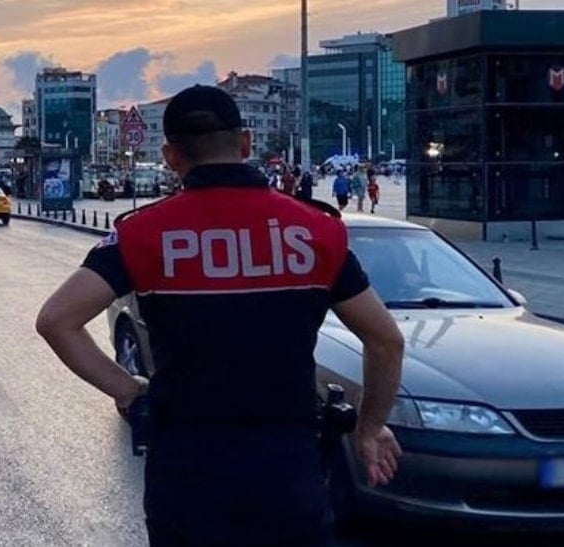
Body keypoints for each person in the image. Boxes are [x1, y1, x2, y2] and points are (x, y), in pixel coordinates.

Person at [35, 85, 405, 546]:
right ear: (245, 143)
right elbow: (386, 340)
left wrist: (129, 390)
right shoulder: (313, 230)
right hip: (287, 470)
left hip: (187, 473)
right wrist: (370, 427)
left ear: (171, 156)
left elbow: (57, 321)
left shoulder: (143, 234)